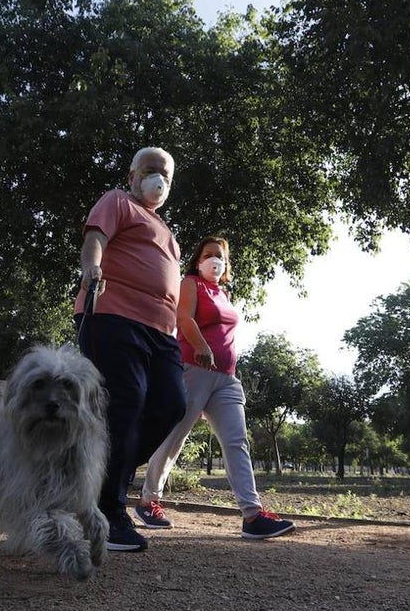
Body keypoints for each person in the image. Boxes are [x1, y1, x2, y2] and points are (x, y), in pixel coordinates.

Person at [134, 236, 295, 539]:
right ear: (198, 260)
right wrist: (201, 345)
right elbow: (183, 318)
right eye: (208, 255)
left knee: (237, 442)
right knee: (174, 437)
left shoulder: (224, 293)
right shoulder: (191, 284)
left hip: (227, 378)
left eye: (219, 255)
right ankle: (148, 500)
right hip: (194, 369)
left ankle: (252, 515)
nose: (214, 259)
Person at [75, 147, 187, 553]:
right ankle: (106, 511)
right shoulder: (118, 201)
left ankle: (94, 474)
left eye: (166, 175)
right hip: (113, 315)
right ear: (133, 174)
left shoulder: (169, 233)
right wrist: (92, 268)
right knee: (127, 402)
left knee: (173, 405)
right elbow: (95, 239)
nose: (159, 179)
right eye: (151, 170)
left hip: (161, 332)